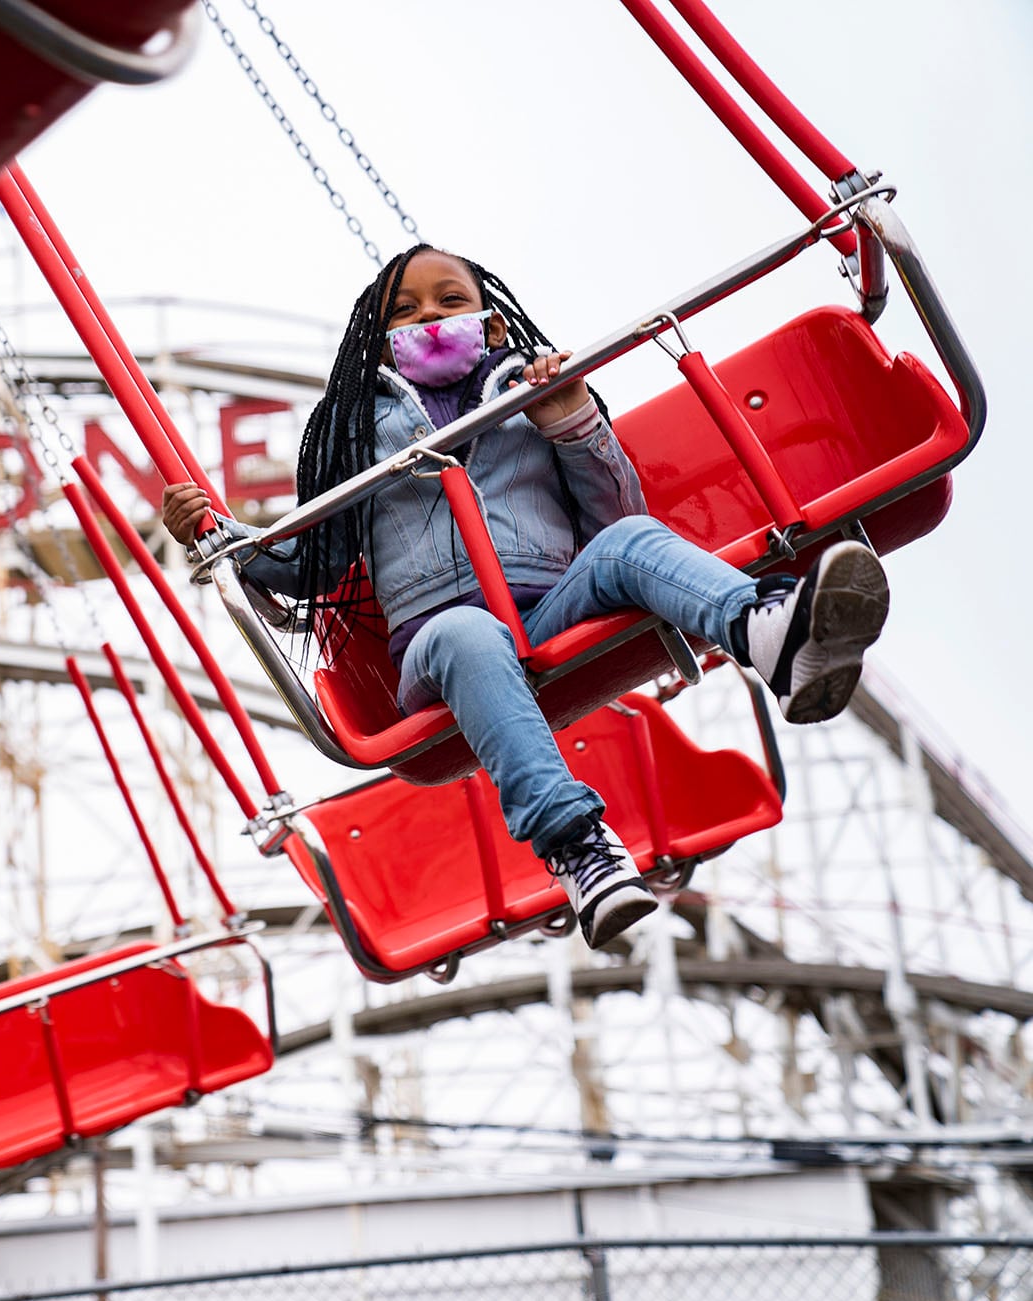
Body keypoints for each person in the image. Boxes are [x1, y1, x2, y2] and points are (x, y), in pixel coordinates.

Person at [160, 245, 890, 949]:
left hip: (550, 606)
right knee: (467, 636)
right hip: (441, 649)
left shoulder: (525, 394)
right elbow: (314, 566)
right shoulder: (357, 433)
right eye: (407, 313)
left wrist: (571, 422)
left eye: (451, 302)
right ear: (382, 347)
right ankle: (578, 849)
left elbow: (613, 516)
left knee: (630, 543)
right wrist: (219, 537)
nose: (431, 319)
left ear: (493, 324)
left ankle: (769, 632)